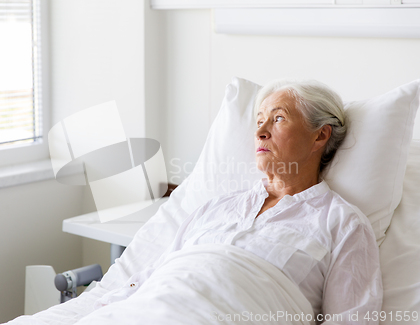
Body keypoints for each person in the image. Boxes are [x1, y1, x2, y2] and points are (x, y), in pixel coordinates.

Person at [95, 79, 383, 324]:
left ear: (320, 135)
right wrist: (108, 309)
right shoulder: (216, 207)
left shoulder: (342, 224)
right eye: (259, 121)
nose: (260, 132)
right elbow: (158, 271)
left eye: (278, 118)